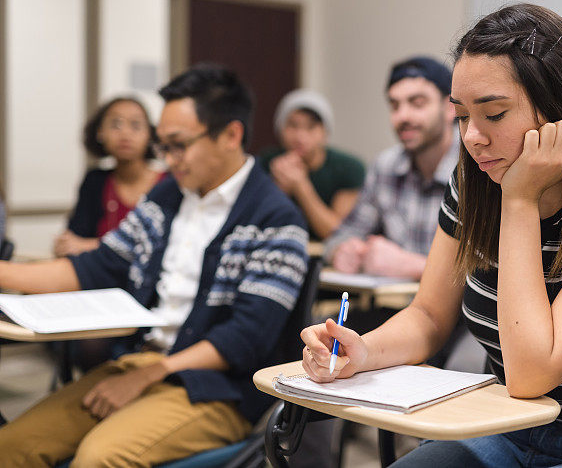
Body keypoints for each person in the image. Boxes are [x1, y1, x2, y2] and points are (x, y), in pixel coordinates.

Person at [301, 4, 562, 467]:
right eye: (463, 116)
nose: (472, 138)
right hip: (505, 426)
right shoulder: (474, 184)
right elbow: (428, 315)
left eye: (494, 114)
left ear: (559, 110)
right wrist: (364, 351)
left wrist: (520, 201)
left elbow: (531, 372)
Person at [0, 65, 309, 467]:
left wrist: (151, 374)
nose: (168, 160)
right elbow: (96, 266)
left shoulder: (276, 219)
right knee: (12, 445)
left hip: (216, 390)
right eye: (162, 146)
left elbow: (245, 338)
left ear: (231, 135)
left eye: (178, 145)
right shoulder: (168, 194)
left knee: (99, 458)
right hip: (140, 362)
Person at [325, 56, 459, 280]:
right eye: (394, 105)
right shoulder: (385, 166)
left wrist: (414, 266)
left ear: (449, 109)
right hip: (396, 309)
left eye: (417, 103)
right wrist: (343, 252)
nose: (402, 116)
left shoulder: (477, 165)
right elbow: (342, 236)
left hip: (461, 313)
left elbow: (492, 274)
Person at [53, 97, 166, 257]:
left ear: (150, 134)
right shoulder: (95, 180)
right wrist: (66, 245)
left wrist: (92, 245)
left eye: (135, 125)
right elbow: (74, 238)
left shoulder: (168, 183)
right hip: (101, 280)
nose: (125, 133)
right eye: (116, 124)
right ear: (100, 132)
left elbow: (160, 248)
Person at [258, 89, 365, 240]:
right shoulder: (266, 163)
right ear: (280, 129)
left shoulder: (349, 168)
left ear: (325, 132)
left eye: (311, 127)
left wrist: (301, 186)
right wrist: (278, 188)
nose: (301, 136)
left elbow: (338, 233)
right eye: (293, 126)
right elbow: (256, 226)